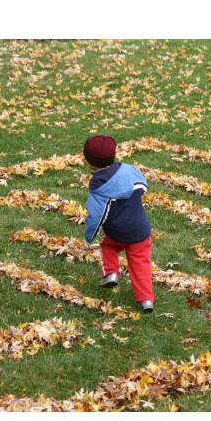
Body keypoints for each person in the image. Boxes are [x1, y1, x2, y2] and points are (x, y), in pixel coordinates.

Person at [82, 134, 154, 313]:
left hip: (116, 232)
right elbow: (142, 185)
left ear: (89, 162)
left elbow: (96, 214)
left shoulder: (98, 186)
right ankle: (146, 300)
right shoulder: (129, 170)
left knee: (108, 245)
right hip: (140, 230)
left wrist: (89, 235)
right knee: (141, 264)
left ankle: (111, 272)